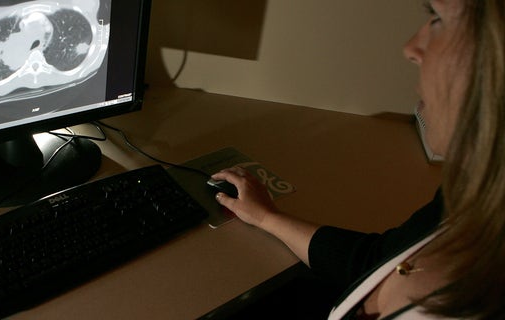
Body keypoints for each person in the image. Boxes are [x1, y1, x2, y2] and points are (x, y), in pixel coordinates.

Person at [211, 1, 505, 319]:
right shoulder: (477, 195)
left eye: (438, 18)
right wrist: (267, 218)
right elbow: (376, 260)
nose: (410, 48)